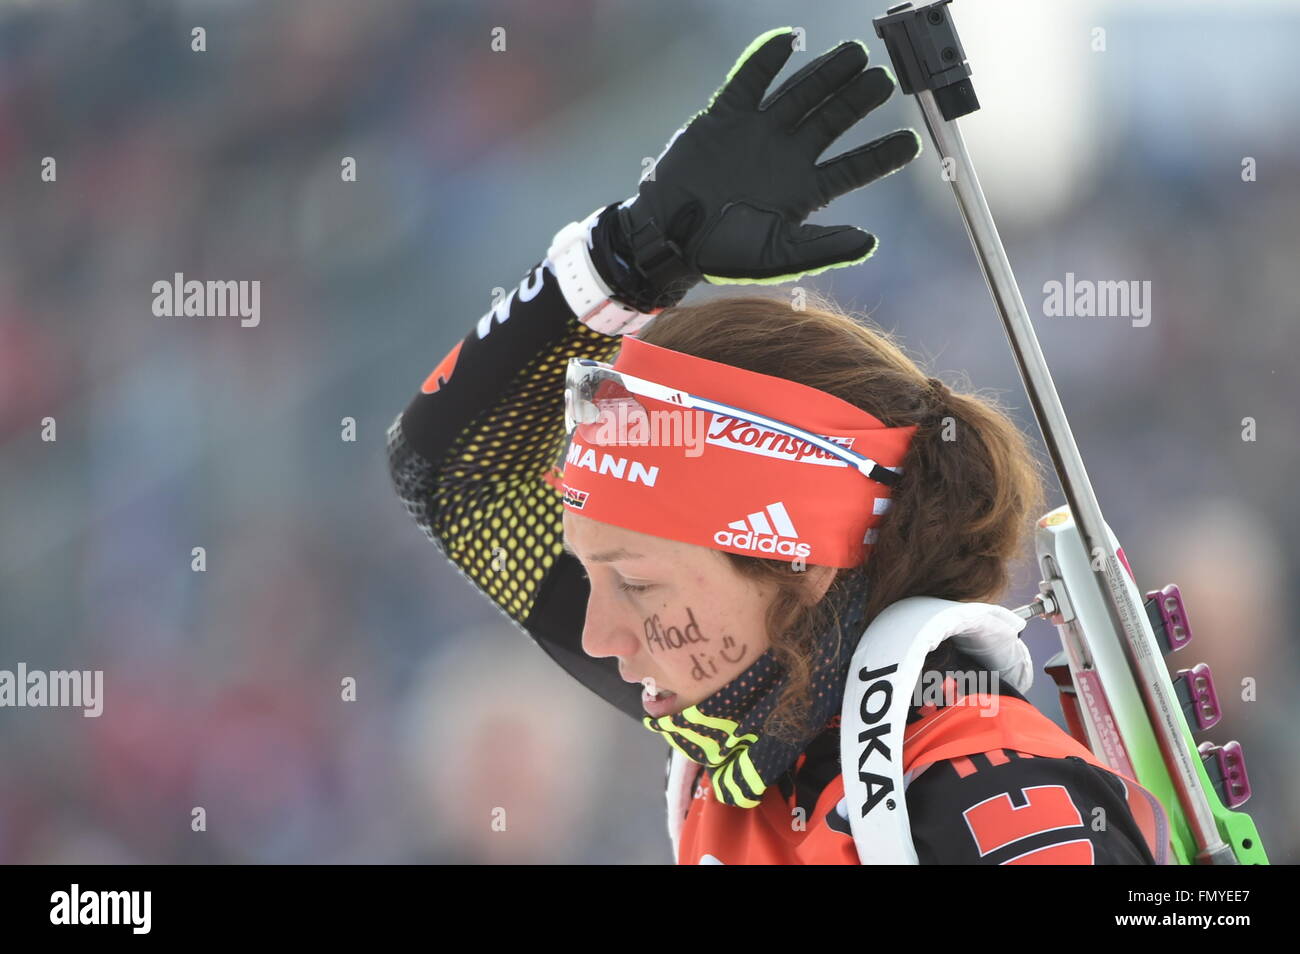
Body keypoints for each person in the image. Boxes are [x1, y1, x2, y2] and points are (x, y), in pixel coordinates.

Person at [387, 27, 1167, 864]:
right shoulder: (759, 727)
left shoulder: (990, 802)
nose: (602, 635)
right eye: (590, 570)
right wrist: (632, 252)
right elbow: (450, 473)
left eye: (637, 583)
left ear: (800, 564)